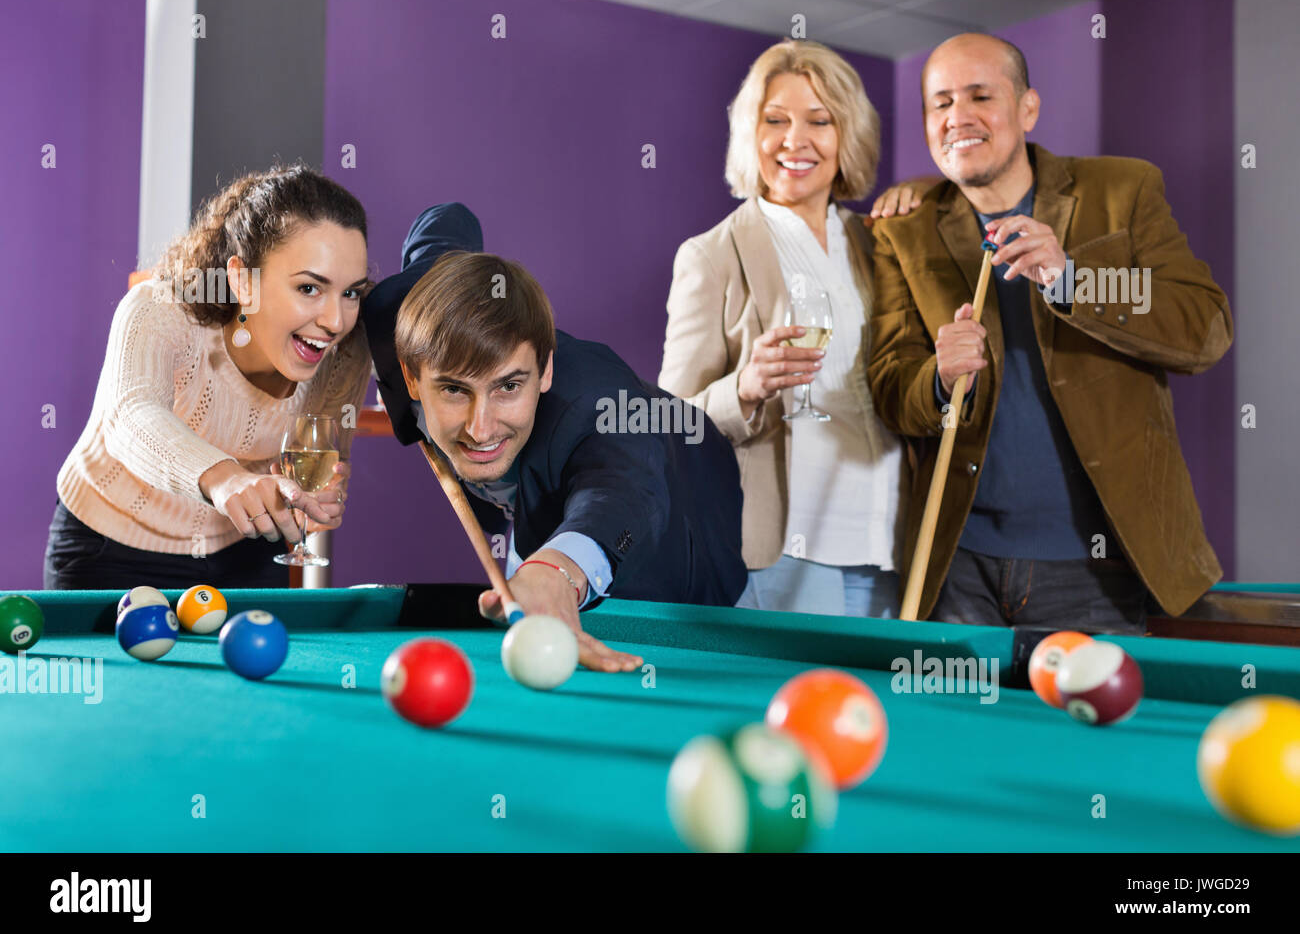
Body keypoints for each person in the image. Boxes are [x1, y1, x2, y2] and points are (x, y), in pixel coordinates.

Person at [868, 33, 1232, 631]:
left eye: (981, 95)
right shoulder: (901, 229)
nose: (958, 116)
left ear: (1028, 108)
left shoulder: (1123, 190)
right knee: (955, 727)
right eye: (941, 102)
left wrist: (1073, 282)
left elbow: (1204, 327)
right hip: (958, 570)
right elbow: (890, 385)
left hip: (1099, 567)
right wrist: (938, 379)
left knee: (1088, 724)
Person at [362, 215, 747, 673]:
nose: (480, 429)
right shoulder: (400, 315)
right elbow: (447, 220)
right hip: (535, 510)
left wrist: (558, 570)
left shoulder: (600, 404)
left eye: (508, 386)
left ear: (544, 369)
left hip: (690, 522)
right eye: (452, 390)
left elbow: (626, 495)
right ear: (410, 376)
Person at [659, 39, 919, 618]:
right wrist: (744, 388)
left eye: (819, 121)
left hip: (889, 541)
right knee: (804, 708)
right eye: (774, 120)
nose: (794, 140)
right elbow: (669, 422)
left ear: (846, 135)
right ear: (750, 135)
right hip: (786, 551)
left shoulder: (880, 244)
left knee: (876, 710)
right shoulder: (712, 255)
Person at [47, 166, 372, 590]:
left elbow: (318, 454)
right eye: (309, 288)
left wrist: (309, 500)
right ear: (242, 279)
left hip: (247, 552)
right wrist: (226, 477)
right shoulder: (160, 308)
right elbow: (131, 415)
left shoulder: (345, 351)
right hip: (108, 548)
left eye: (350, 293)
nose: (334, 321)